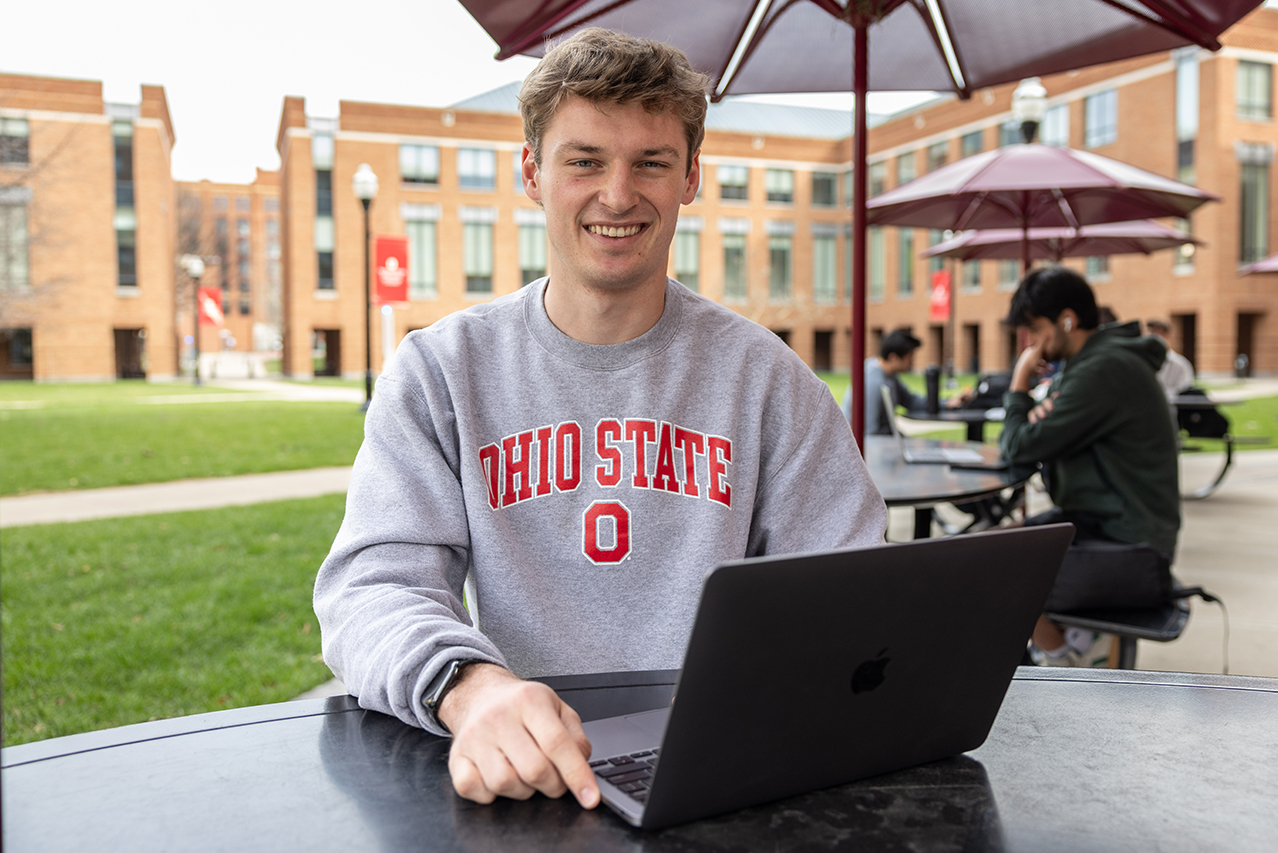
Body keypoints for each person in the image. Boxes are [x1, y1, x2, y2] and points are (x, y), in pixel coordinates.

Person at [313, 28, 887, 812]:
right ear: (531, 172)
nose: (618, 194)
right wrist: (469, 688)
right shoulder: (441, 372)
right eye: (584, 160)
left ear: (689, 178)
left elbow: (851, 592)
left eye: (651, 162)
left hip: (726, 775)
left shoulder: (768, 380)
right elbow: (371, 588)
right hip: (517, 773)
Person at [999, 266, 1181, 667]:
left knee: (995, 569)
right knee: (990, 546)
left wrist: (1019, 384)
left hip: (1134, 549)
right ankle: (1074, 644)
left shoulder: (1103, 370)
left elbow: (1018, 446)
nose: (1032, 343)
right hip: (1106, 525)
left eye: (1035, 328)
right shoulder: (1095, 365)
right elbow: (1041, 433)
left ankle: (1065, 662)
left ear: (1067, 318)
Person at [843, 329, 927, 434]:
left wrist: (946, 403)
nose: (912, 361)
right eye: (909, 357)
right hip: (873, 443)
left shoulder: (890, 375)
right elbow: (869, 433)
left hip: (885, 439)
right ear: (893, 358)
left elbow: (910, 401)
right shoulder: (872, 383)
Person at [1145, 318, 1195, 396]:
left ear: (1167, 335)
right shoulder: (1141, 361)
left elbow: (1185, 390)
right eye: (1151, 331)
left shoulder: (1180, 364)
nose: (1154, 335)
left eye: (1159, 332)